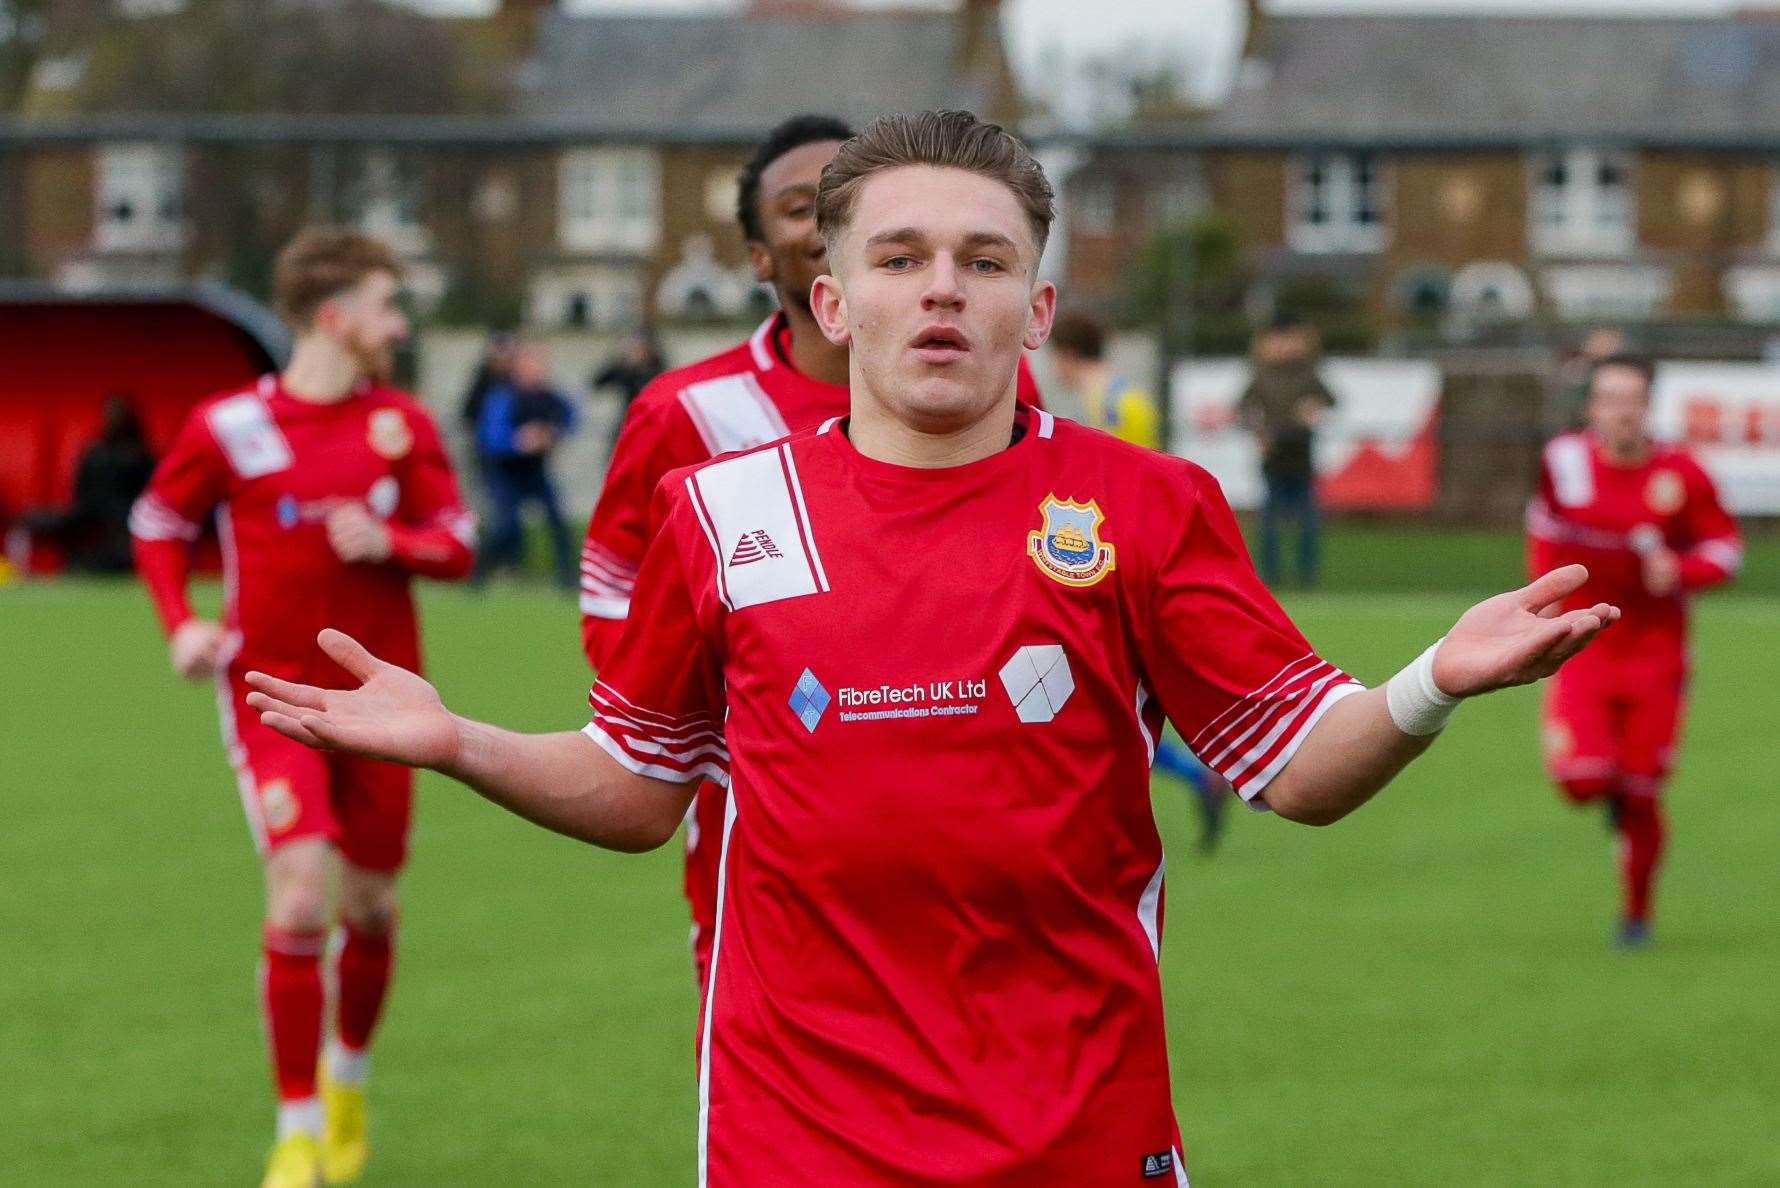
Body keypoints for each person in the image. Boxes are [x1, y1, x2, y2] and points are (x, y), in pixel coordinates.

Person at [244, 112, 1616, 1184]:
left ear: (1039, 301)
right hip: (798, 1137)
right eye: (899, 259)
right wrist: (457, 739)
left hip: (1080, 1134)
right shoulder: (721, 513)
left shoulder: (1145, 507)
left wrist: (1432, 681)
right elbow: (642, 787)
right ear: (831, 302)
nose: (942, 290)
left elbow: (1298, 768)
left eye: (984, 259)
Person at [577, 112, 1043, 999]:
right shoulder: (689, 412)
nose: (824, 216)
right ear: (762, 256)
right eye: (800, 206)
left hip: (970, 796)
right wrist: (744, 698)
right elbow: (613, 595)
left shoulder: (989, 383)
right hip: (764, 809)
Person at [129, 227, 475, 1188]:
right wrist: (179, 626)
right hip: (270, 698)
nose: (399, 327)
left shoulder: (400, 425)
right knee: (296, 895)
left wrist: (393, 541)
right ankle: (295, 1127)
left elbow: (459, 540)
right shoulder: (230, 425)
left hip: (385, 707)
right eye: (387, 307)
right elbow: (157, 522)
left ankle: (349, 1078)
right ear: (337, 317)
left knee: (369, 906)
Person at [1526, 353, 1739, 947]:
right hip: (1586, 646)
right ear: (1592, 408)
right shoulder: (1564, 462)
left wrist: (1683, 569)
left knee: (1643, 792)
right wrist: (1540, 613)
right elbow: (1543, 533)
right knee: (1584, 782)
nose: (1621, 411)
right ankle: (1610, 790)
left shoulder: (1683, 474)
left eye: (1632, 399)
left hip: (1657, 653)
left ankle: (1636, 911)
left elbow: (1727, 551)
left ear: (1648, 407)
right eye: (1609, 399)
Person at [1048, 311, 1231, 850]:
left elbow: (1119, 488)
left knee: (1101, 702)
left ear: (1064, 352)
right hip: (1121, 561)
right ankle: (1196, 779)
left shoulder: (1109, 405)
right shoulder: (1119, 397)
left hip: (1113, 568)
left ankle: (1194, 781)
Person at [1237, 313, 1336, 588]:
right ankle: (1268, 576)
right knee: (1269, 521)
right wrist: (1258, 434)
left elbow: (1330, 400)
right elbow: (1244, 410)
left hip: (1301, 455)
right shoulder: (1262, 376)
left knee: (1308, 521)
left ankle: (1307, 576)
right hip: (1274, 455)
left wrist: (1313, 406)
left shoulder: (1308, 374)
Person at [472, 340, 579, 588]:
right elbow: (490, 437)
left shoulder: (549, 396)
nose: (535, 370)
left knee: (557, 521)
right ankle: (478, 572)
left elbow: (571, 416)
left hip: (535, 470)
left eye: (539, 365)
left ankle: (568, 579)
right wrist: (517, 441)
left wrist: (551, 433)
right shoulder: (504, 396)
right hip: (506, 470)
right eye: (529, 365)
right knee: (507, 527)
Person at [23, 393, 155, 572]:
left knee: (123, 545)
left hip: (125, 514)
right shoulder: (94, 451)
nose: (112, 418)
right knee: (39, 519)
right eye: (109, 413)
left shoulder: (140, 455)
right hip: (89, 510)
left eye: (118, 413)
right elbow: (79, 488)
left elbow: (148, 495)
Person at [1048, 311, 1162, 449]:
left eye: (1053, 358)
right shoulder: (1135, 395)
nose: (1052, 369)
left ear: (1067, 354)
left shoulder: (1102, 405)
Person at [590, 330, 667, 454]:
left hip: (650, 423)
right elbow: (598, 382)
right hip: (628, 422)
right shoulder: (624, 369)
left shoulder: (655, 371)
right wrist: (618, 362)